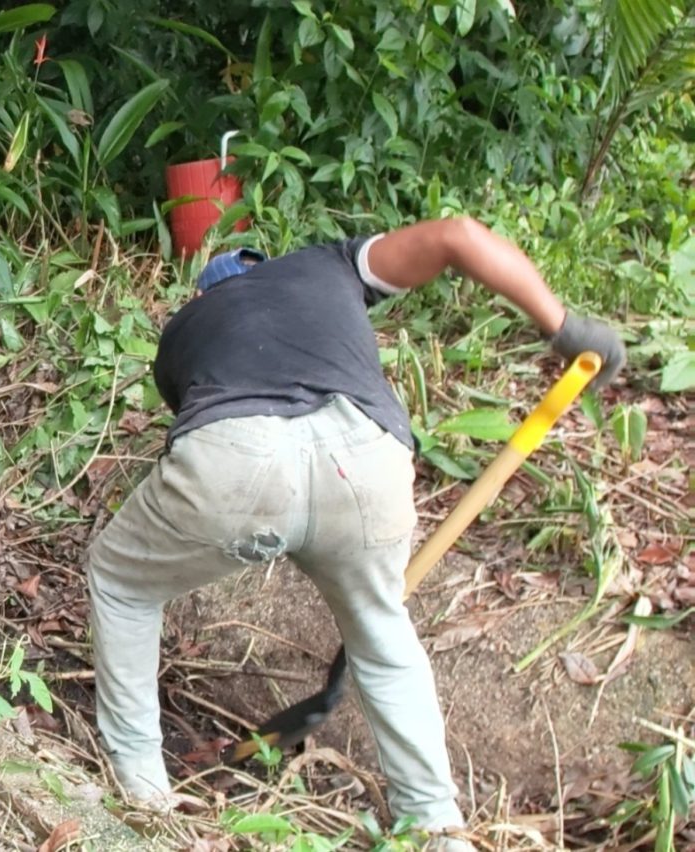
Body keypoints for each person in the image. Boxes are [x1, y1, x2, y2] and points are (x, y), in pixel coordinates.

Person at [84, 218, 625, 848]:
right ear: (272, 268)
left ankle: (145, 800)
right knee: (380, 631)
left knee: (123, 584)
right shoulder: (328, 266)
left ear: (202, 296)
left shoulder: (183, 332)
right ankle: (436, 826)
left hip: (236, 462)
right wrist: (564, 325)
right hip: (369, 459)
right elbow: (456, 235)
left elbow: (241, 453)